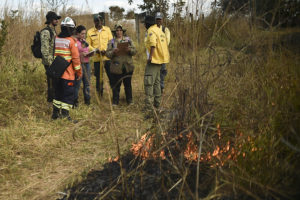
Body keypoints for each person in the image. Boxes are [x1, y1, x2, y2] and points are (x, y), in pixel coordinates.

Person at [52, 17, 82, 121]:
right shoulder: (71, 41)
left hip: (57, 73)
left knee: (58, 94)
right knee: (68, 94)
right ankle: (65, 116)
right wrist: (79, 72)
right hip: (68, 74)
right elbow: (76, 59)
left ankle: (55, 115)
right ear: (71, 29)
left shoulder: (57, 39)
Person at [144, 15, 170, 116]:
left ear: (147, 24)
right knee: (156, 82)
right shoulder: (159, 30)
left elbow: (153, 44)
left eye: (145, 23)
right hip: (160, 60)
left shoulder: (151, 30)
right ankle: (157, 105)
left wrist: (150, 57)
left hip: (154, 60)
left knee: (149, 82)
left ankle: (149, 109)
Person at [106, 24, 137, 106]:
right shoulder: (111, 42)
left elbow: (135, 51)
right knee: (116, 85)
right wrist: (113, 52)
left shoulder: (128, 40)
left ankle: (129, 101)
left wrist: (129, 50)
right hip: (116, 67)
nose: (119, 32)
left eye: (120, 30)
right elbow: (107, 54)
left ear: (123, 31)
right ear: (115, 32)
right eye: (117, 30)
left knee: (128, 84)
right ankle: (115, 101)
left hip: (127, 66)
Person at [86, 13, 113, 97]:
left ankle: (115, 95)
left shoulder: (107, 30)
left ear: (102, 21)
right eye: (97, 21)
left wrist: (107, 50)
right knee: (99, 78)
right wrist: (95, 50)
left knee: (111, 76)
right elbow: (87, 44)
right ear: (94, 22)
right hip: (97, 59)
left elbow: (111, 42)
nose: (99, 22)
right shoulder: (90, 32)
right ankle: (100, 96)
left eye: (101, 20)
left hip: (107, 58)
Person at [41, 11, 61, 102]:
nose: (57, 20)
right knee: (51, 83)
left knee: (55, 83)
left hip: (54, 61)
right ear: (50, 20)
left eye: (57, 19)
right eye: (55, 19)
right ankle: (50, 102)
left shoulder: (53, 31)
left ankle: (54, 101)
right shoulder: (46, 32)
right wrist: (50, 63)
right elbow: (44, 50)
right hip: (49, 62)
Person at [74, 25, 91, 107]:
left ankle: (87, 101)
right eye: (82, 34)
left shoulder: (84, 41)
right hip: (79, 65)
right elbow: (74, 54)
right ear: (77, 33)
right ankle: (75, 102)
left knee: (87, 83)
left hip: (87, 63)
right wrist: (81, 54)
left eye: (85, 34)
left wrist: (90, 53)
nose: (83, 35)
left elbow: (87, 49)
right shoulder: (74, 42)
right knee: (77, 84)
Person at [155, 12, 170, 94]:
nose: (158, 21)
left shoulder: (165, 29)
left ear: (162, 20)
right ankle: (156, 89)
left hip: (163, 55)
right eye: (157, 19)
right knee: (155, 72)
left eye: (160, 19)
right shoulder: (152, 29)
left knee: (162, 72)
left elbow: (166, 42)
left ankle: (161, 88)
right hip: (154, 55)